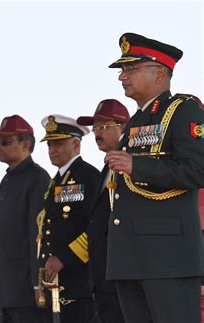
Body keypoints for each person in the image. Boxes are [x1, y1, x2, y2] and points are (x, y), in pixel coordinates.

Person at [105, 32, 204, 323]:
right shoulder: (135, 122)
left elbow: (198, 170)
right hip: (131, 258)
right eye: (123, 70)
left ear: (159, 73)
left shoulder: (184, 111)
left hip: (168, 259)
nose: (122, 77)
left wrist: (138, 167)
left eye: (130, 69)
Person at [0, 115, 51, 323]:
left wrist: (37, 285)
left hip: (26, 292)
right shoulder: (8, 178)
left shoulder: (37, 179)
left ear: (25, 144)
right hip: (7, 291)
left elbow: (38, 236)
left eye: (5, 142)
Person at [36, 114, 100, 323]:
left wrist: (65, 258)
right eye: (50, 145)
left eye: (59, 144)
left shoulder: (87, 176)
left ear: (76, 145)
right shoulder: (56, 180)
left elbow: (96, 226)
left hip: (79, 281)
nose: (52, 150)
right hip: (54, 281)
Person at [77, 99, 129, 323]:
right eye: (96, 128)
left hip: (123, 277)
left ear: (124, 128)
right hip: (101, 278)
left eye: (104, 127)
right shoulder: (104, 170)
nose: (98, 133)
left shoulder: (132, 166)